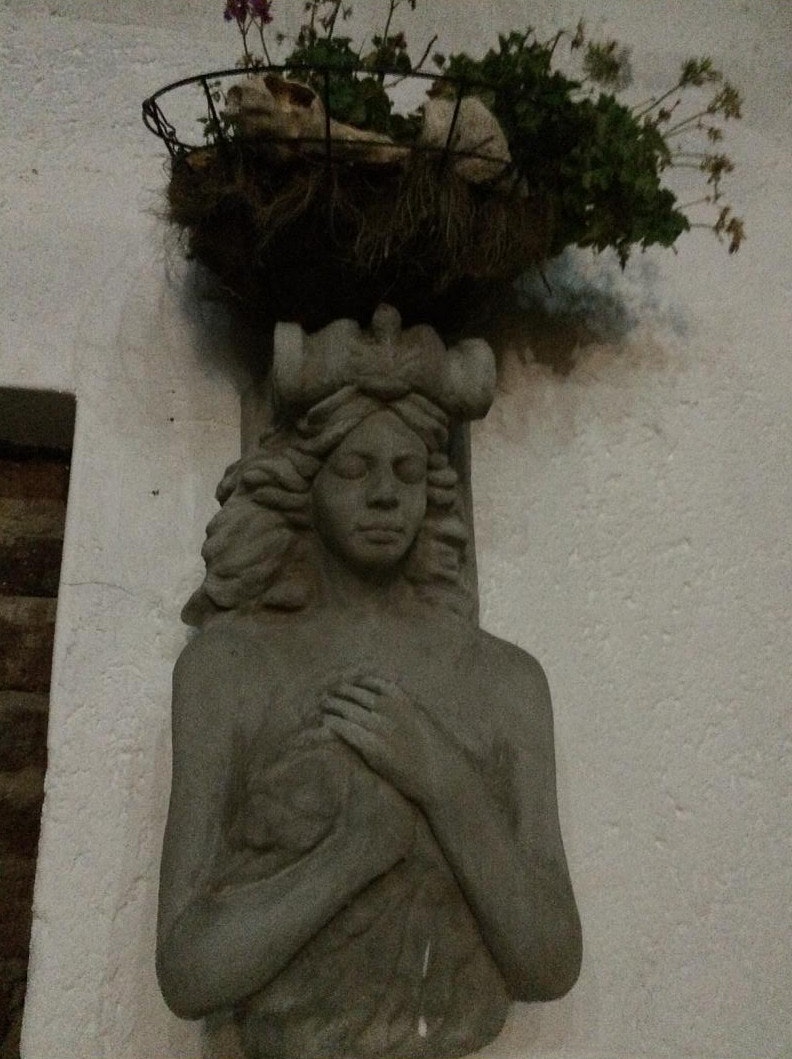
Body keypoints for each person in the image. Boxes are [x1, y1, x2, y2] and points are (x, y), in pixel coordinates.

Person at [156, 308, 581, 1059]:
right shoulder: (228, 669)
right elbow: (188, 970)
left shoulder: (506, 682)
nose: (385, 494)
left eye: (408, 471)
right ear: (305, 480)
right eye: (355, 468)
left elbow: (548, 962)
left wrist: (444, 780)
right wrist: (350, 855)